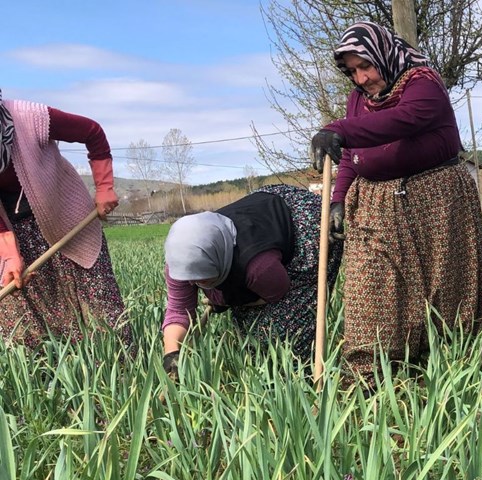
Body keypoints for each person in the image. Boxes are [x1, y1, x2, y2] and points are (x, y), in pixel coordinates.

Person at [309, 21, 482, 379]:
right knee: (370, 284)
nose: (361, 79)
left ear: (384, 55)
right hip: (374, 203)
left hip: (436, 199)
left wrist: (339, 129)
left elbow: (401, 121)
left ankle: (451, 369)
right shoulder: (358, 99)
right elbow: (352, 156)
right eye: (353, 71)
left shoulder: (424, 84)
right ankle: (368, 373)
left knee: (446, 288)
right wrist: (338, 199)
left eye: (366, 66)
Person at [161, 184, 342, 371]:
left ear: (217, 263)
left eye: (201, 278)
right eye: (189, 278)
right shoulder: (180, 262)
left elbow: (277, 292)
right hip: (259, 217)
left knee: (285, 328)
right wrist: (171, 353)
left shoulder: (259, 268)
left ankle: (300, 374)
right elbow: (178, 311)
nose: (192, 284)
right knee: (248, 334)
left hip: (307, 225)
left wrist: (225, 299)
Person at [0, 91, 131, 349]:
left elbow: (93, 132)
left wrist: (104, 187)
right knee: (18, 310)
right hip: (14, 231)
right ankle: (48, 382)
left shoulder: (30, 117)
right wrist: (9, 254)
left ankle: (120, 376)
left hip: (68, 221)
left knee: (99, 306)